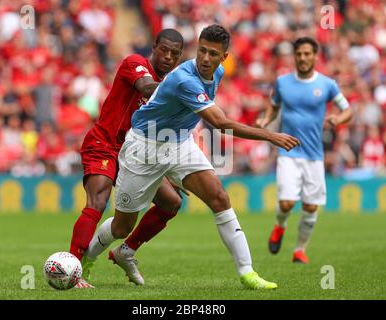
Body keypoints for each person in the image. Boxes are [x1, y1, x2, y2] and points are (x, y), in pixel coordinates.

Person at [85, 24, 300, 290]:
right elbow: (219, 123)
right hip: (143, 147)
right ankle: (87, 259)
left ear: (225, 58)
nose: (206, 59)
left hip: (179, 143)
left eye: (213, 54)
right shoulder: (184, 79)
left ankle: (248, 273)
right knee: (121, 227)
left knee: (219, 198)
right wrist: (269, 135)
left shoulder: (217, 73)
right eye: (202, 51)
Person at [70, 29, 185, 288]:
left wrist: (166, 169)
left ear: (179, 57)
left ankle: (127, 250)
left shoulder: (173, 87)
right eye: (163, 50)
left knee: (171, 203)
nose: (167, 56)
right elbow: (145, 87)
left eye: (174, 54)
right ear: (153, 47)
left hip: (137, 153)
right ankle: (74, 268)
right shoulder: (135, 64)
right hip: (105, 144)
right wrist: (182, 88)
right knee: (98, 201)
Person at [256, 37, 353, 264]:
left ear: (315, 56)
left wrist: (338, 119)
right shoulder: (282, 83)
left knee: (310, 206)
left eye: (307, 54)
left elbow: (347, 110)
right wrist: (266, 119)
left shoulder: (327, 85)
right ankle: (280, 226)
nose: (302, 58)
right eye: (299, 54)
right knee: (287, 203)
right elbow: (273, 103)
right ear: (294, 56)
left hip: (314, 155)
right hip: (288, 152)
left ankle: (299, 250)